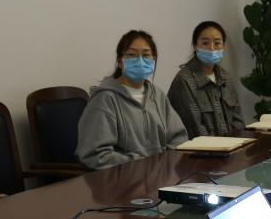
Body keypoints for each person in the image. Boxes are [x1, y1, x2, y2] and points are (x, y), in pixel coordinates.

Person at [75, 29, 188, 169]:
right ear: (120, 62)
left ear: (153, 61)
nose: (140, 61)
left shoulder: (157, 95)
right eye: (132, 55)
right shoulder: (105, 99)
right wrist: (141, 164)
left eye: (146, 55)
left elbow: (179, 138)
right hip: (123, 178)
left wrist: (163, 165)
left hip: (159, 175)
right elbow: (94, 154)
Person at [167, 21, 246, 137]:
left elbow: (238, 121)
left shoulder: (226, 78)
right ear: (195, 46)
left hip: (231, 145)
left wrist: (236, 142)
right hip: (201, 147)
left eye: (217, 43)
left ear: (223, 46)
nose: (212, 48)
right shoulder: (184, 80)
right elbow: (195, 128)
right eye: (205, 43)